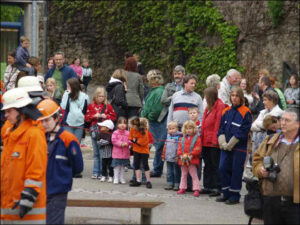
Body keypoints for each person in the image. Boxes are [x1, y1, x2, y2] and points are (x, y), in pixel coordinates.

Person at [1, 88, 47, 224]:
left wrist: (29, 196)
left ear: (21, 111)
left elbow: (36, 170)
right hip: (9, 211)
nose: (5, 115)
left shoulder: (34, 135)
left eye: (9, 111)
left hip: (28, 214)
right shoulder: (11, 135)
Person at [36, 99, 83, 224]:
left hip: (58, 192)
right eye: (42, 121)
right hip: (40, 191)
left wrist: (62, 177)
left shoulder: (68, 139)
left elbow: (78, 167)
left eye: (47, 120)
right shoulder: (40, 137)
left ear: (57, 118)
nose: (44, 124)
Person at [252, 108, 299, 224]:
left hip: (295, 204)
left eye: (287, 120)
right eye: (282, 119)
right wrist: (260, 170)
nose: (282, 123)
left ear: (298, 124)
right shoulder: (271, 140)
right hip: (271, 201)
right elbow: (256, 161)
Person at [217, 87, 252, 204]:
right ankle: (225, 193)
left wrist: (232, 142)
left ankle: (234, 195)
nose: (234, 98)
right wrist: (222, 141)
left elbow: (244, 130)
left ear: (241, 97)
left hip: (238, 147)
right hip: (225, 146)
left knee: (236, 170)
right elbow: (221, 127)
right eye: (232, 95)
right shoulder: (226, 111)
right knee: (222, 168)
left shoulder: (246, 111)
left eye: (236, 96)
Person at [85, 87, 116, 179]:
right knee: (96, 153)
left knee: (103, 152)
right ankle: (95, 172)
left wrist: (106, 116)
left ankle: (103, 173)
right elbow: (86, 117)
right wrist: (93, 116)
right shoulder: (91, 106)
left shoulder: (108, 106)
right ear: (95, 96)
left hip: (104, 132)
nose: (101, 98)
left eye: (102, 96)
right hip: (94, 131)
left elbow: (114, 116)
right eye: (99, 96)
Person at [200, 87, 226, 196]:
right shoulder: (208, 107)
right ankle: (207, 185)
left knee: (215, 164)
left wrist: (216, 139)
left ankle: (216, 186)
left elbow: (218, 123)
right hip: (206, 139)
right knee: (207, 164)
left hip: (213, 141)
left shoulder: (219, 106)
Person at [141, 69, 166, 178]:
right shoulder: (156, 90)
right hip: (150, 121)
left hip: (153, 123)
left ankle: (155, 169)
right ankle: (151, 167)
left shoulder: (158, 91)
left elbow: (156, 109)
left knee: (155, 145)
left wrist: (147, 118)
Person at [251, 90, 283, 156]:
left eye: (265, 100)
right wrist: (262, 126)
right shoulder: (263, 112)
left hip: (269, 145)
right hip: (257, 144)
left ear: (272, 101)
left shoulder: (278, 112)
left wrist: (259, 124)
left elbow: (266, 125)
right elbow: (252, 126)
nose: (263, 102)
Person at [176, 120, 202, 197]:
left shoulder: (197, 138)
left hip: (192, 159)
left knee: (194, 175)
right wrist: (181, 155)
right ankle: (182, 188)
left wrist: (190, 155)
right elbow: (179, 148)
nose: (188, 130)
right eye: (187, 128)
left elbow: (198, 148)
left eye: (190, 128)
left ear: (194, 129)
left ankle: (196, 189)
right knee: (183, 174)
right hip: (183, 160)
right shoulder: (182, 139)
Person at [60, 78, 89, 144]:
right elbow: (63, 107)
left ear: (73, 86)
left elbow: (85, 108)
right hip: (68, 123)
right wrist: (65, 95)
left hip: (80, 123)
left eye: (68, 86)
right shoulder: (67, 95)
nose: (67, 88)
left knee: (76, 144)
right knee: (68, 142)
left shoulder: (85, 96)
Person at [129, 117, 152, 189]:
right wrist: (135, 140)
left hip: (144, 151)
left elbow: (142, 142)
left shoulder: (145, 132)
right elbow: (130, 138)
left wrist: (135, 140)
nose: (132, 127)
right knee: (136, 164)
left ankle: (148, 181)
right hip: (136, 150)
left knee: (145, 165)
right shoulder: (132, 130)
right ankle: (138, 180)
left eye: (133, 125)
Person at [162, 121, 182, 191]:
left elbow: (180, 147)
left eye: (173, 128)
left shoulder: (179, 137)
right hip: (168, 157)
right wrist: (163, 155)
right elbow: (165, 147)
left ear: (177, 128)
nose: (171, 130)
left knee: (176, 171)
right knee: (169, 171)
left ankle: (177, 183)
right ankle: (169, 183)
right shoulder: (168, 136)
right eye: (169, 129)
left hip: (175, 157)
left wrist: (178, 156)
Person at [111, 117, 131, 184]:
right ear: (117, 125)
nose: (122, 125)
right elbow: (114, 140)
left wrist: (127, 143)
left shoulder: (128, 133)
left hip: (125, 153)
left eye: (124, 123)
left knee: (123, 167)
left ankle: (122, 178)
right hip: (117, 153)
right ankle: (116, 178)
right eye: (120, 123)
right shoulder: (115, 132)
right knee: (117, 167)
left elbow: (131, 140)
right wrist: (121, 144)